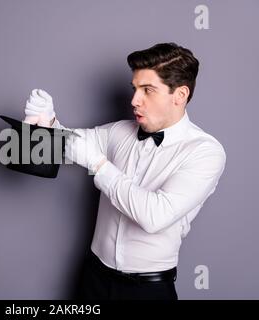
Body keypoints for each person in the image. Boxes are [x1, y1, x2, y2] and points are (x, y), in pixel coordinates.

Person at [23, 43, 226, 300]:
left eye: (147, 90)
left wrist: (98, 164)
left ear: (180, 95)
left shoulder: (205, 152)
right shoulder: (119, 132)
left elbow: (155, 216)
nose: (134, 100)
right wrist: (47, 123)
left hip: (147, 292)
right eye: (135, 89)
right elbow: (68, 146)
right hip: (93, 279)